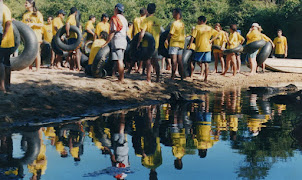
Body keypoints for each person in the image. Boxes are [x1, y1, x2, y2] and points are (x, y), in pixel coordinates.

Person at [101, 3, 128, 83]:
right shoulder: (125, 19)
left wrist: (106, 42)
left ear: (116, 9)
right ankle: (118, 76)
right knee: (118, 59)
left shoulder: (115, 18)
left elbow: (112, 31)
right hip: (123, 41)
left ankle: (121, 78)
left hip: (117, 41)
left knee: (119, 60)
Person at [188, 16, 218, 82]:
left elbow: (193, 37)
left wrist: (189, 45)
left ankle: (191, 75)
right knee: (206, 63)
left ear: (201, 21)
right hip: (207, 48)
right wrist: (211, 40)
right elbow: (217, 34)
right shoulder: (209, 28)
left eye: (198, 20)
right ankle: (206, 78)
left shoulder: (197, 27)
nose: (197, 22)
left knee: (192, 61)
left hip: (199, 47)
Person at [137, 3, 161, 83]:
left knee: (148, 61)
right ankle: (157, 79)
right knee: (155, 61)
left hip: (147, 44)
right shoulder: (158, 21)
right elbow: (160, 33)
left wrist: (138, 42)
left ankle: (148, 79)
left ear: (147, 11)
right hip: (155, 44)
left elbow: (142, 33)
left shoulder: (146, 20)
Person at [23, 0, 44, 71]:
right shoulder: (25, 15)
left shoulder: (38, 13)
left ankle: (38, 69)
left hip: (36, 35)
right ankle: (30, 68)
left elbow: (41, 24)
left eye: (26, 3)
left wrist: (33, 24)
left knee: (36, 52)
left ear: (31, 4)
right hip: (28, 36)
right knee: (28, 52)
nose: (25, 4)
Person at [165, 8, 185, 80]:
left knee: (174, 60)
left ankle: (173, 76)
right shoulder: (182, 23)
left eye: (173, 13)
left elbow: (171, 33)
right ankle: (182, 76)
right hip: (181, 44)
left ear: (177, 14)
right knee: (180, 61)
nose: (172, 14)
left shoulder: (174, 23)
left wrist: (166, 39)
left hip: (174, 43)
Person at [0, 0, 14, 93]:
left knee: (3, 62)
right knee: (6, 63)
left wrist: (3, 36)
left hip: (5, 40)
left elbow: (8, 23)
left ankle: (3, 86)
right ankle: (6, 86)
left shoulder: (4, 8)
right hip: (5, 39)